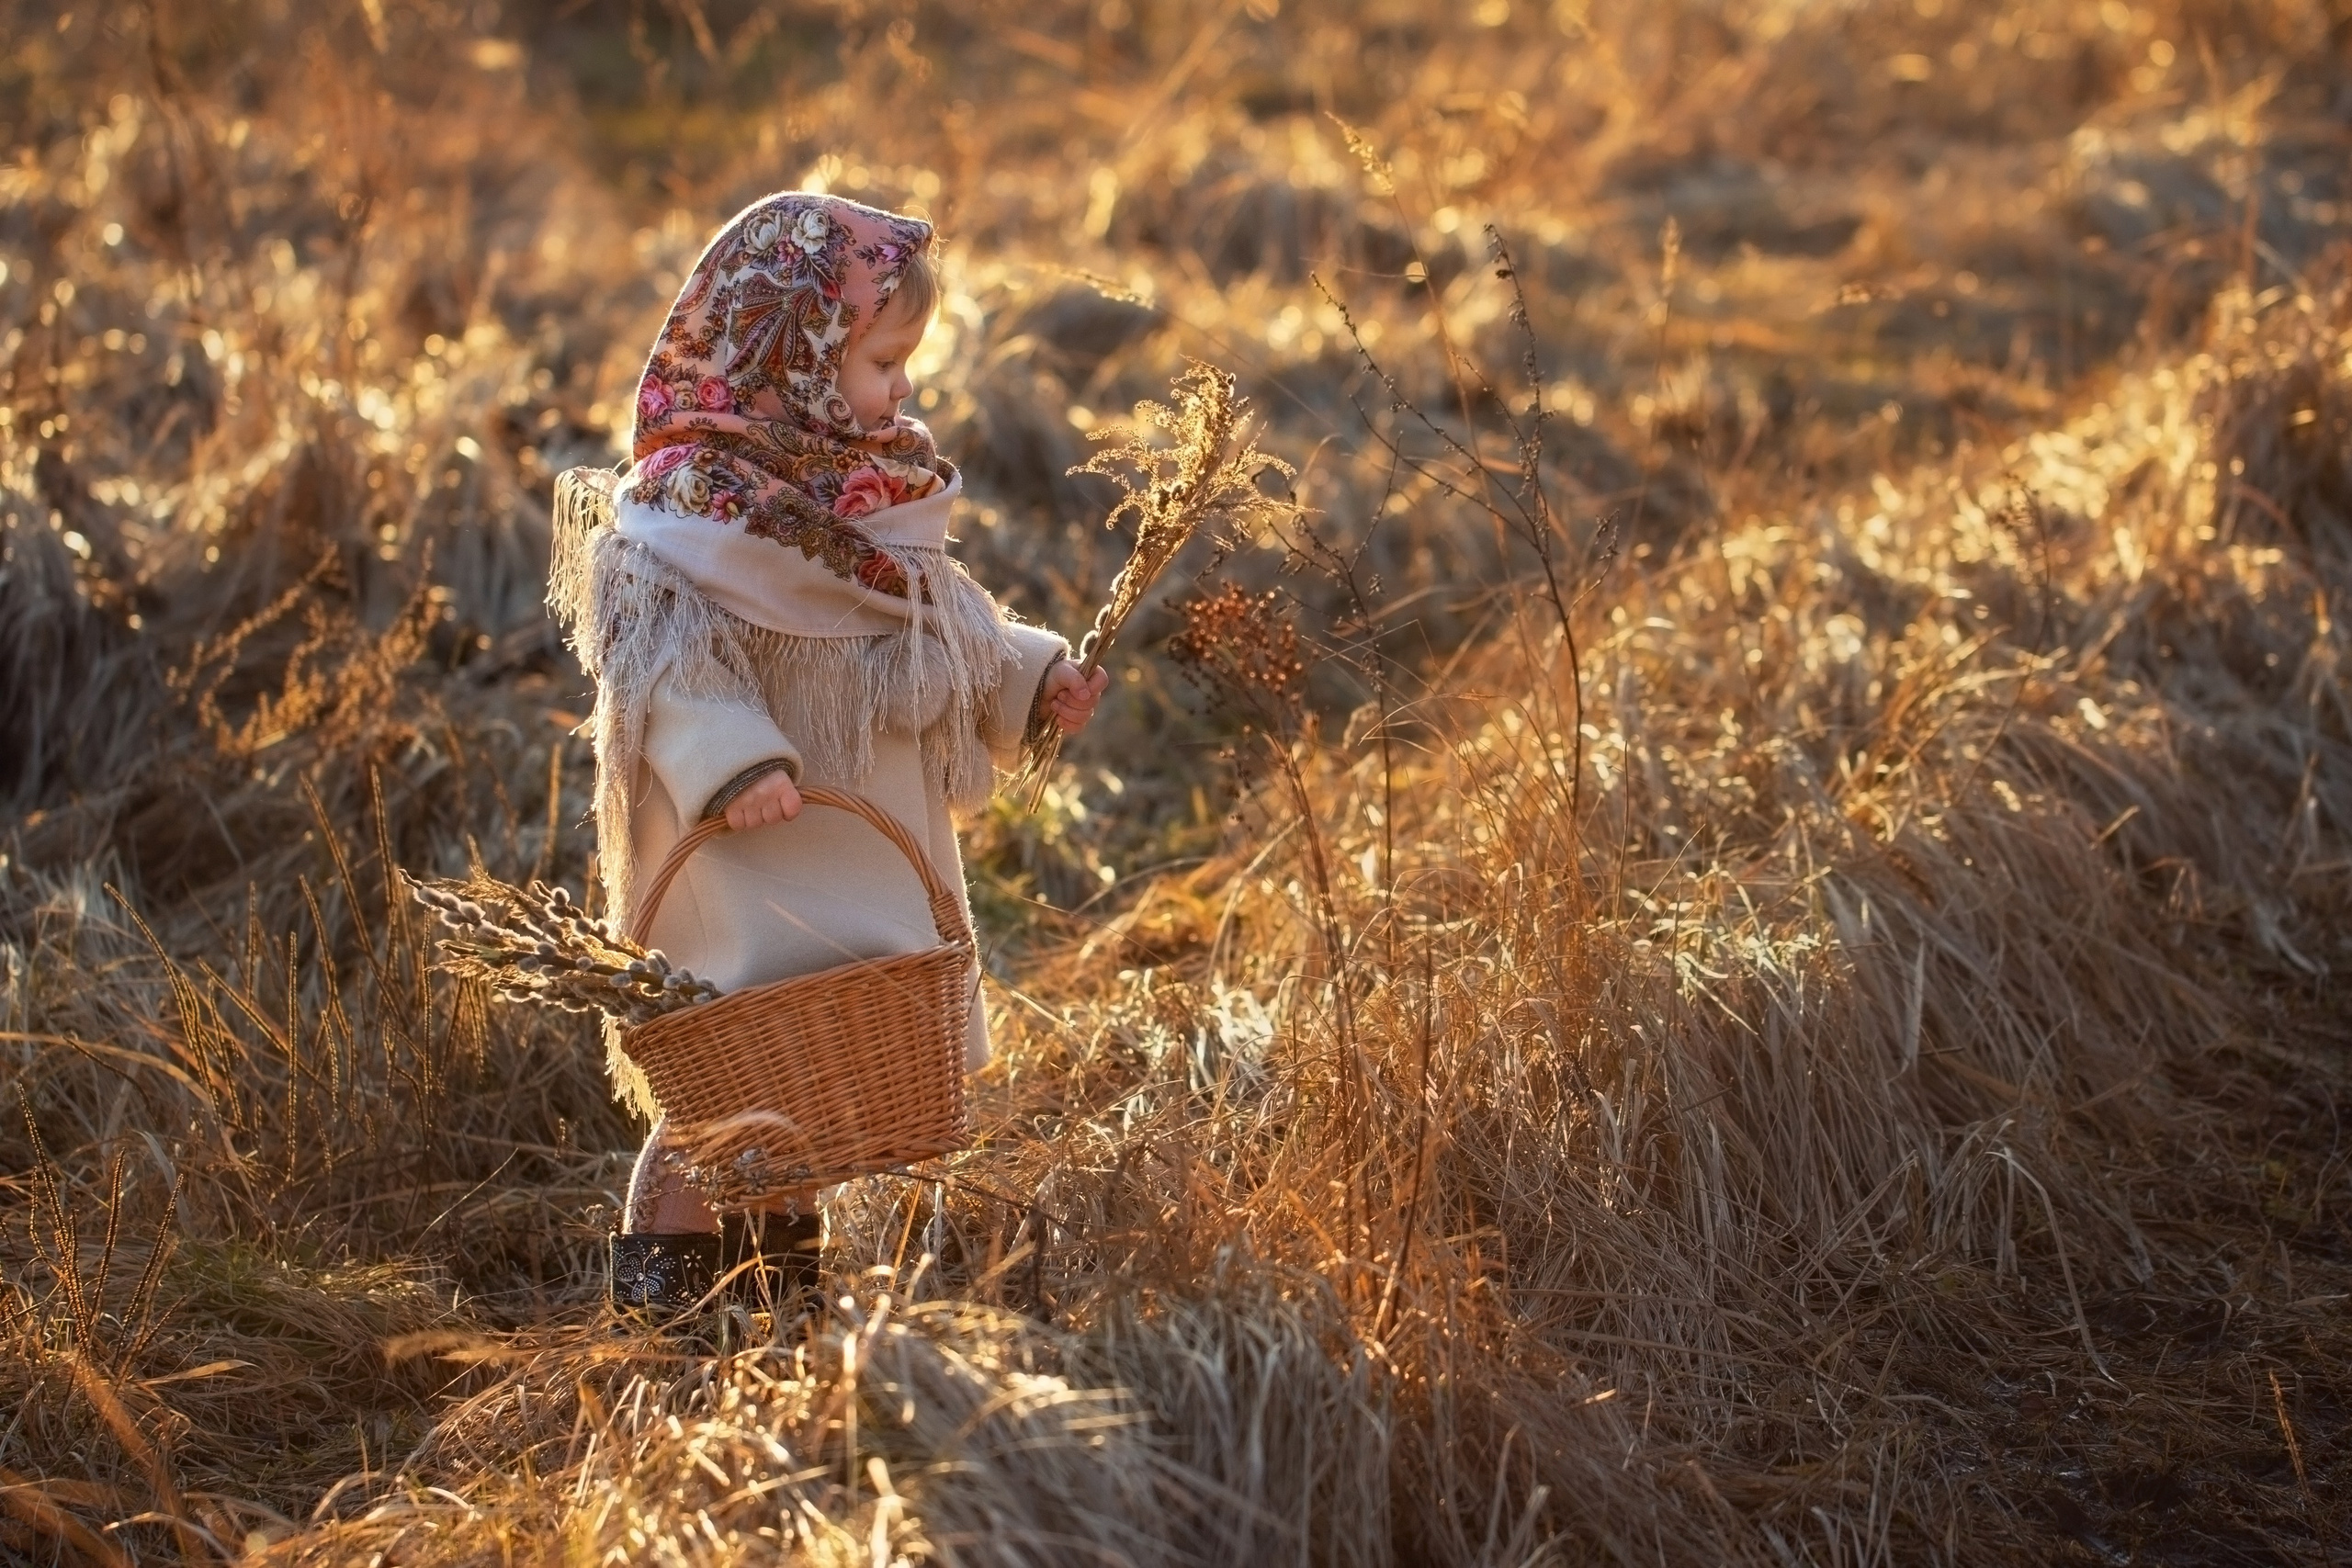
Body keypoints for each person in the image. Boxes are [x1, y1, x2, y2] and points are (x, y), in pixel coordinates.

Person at [548, 191, 1107, 1314]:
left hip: (856, 861)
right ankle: (665, 1311)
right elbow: (664, 667)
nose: (899, 389)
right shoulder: (685, 514)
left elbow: (941, 628)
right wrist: (733, 760)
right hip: (747, 849)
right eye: (882, 359)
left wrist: (1032, 679)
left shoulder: (870, 494)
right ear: (788, 355)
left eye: (904, 362)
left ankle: (778, 1303)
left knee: (805, 1099)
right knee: (723, 1093)